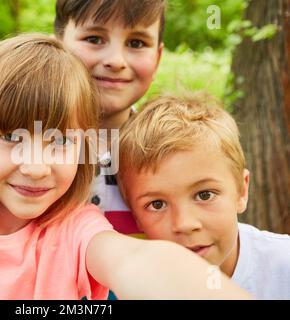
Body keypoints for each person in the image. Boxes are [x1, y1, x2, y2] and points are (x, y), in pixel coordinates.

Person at [0, 34, 250, 300]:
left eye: (58, 141)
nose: (35, 166)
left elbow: (138, 263)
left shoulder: (77, 230)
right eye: (12, 138)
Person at [117, 93, 290, 299]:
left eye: (205, 195)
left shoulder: (283, 266)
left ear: (241, 191)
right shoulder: (134, 289)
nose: (184, 224)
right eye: (157, 204)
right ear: (135, 217)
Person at [55, 0, 165, 238]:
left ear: (157, 58)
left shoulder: (171, 154)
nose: (115, 61)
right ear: (57, 45)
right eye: (94, 39)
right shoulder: (26, 148)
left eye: (136, 43)